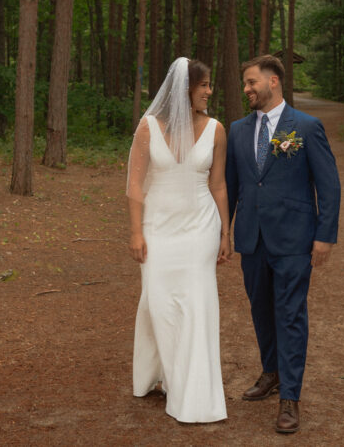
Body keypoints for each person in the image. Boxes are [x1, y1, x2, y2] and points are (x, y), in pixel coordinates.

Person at [225, 54, 341, 434]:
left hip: (294, 238)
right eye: (245, 83)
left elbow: (329, 185)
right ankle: (271, 371)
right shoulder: (238, 130)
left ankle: (290, 396)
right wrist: (224, 231)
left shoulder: (306, 127)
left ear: (273, 82)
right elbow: (231, 186)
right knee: (261, 309)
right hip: (251, 238)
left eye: (251, 82)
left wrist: (324, 236)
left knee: (290, 314)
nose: (246, 89)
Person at [126, 57, 232, 423]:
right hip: (158, 227)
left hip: (200, 227)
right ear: (185, 89)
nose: (209, 91)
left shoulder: (217, 129)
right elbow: (135, 186)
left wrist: (225, 231)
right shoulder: (148, 127)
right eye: (204, 85)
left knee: (196, 302)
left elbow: (218, 184)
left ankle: (194, 391)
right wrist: (136, 231)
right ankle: (164, 374)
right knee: (159, 303)